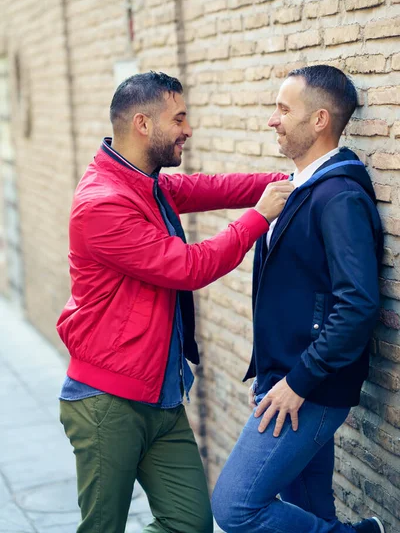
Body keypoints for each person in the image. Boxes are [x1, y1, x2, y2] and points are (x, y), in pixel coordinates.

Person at [57, 71, 293, 533]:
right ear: (143, 124)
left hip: (160, 396)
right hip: (108, 403)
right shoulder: (103, 204)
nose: (188, 128)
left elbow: (214, 188)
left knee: (189, 525)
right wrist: (259, 217)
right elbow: (189, 267)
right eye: (179, 118)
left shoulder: (147, 185)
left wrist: (295, 178)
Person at [212, 65, 385, 533]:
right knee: (310, 514)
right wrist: (272, 371)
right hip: (286, 379)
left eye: (284, 109)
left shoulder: (339, 196)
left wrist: (297, 381)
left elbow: (358, 304)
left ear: (320, 120)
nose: (274, 119)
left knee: (234, 507)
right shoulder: (302, 188)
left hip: (310, 388)